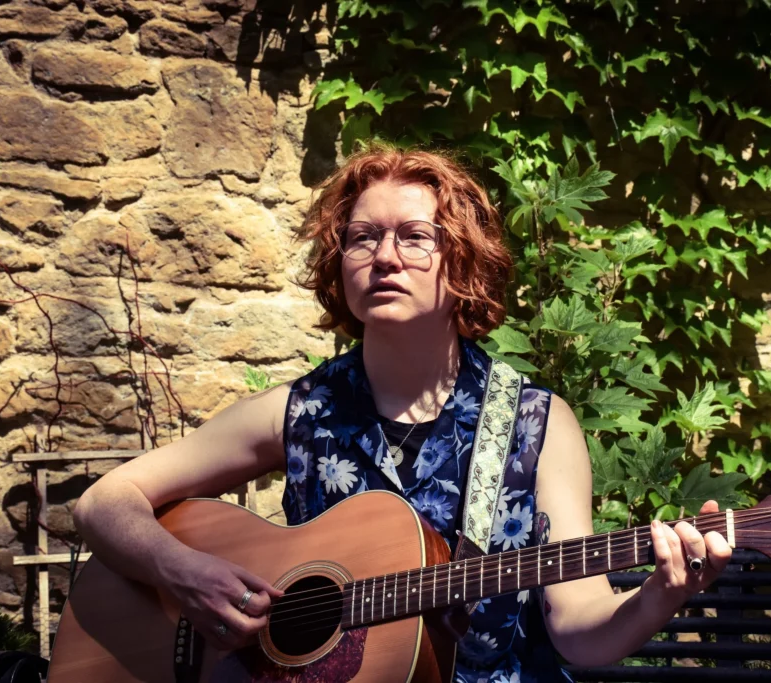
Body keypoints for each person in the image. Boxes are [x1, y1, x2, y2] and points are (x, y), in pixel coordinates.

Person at [73, 145, 733, 682]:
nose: (385, 257)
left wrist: (657, 595)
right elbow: (105, 502)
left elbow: (581, 629)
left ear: (464, 262)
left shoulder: (535, 423)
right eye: (363, 238)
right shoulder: (300, 411)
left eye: (416, 237)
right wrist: (182, 571)